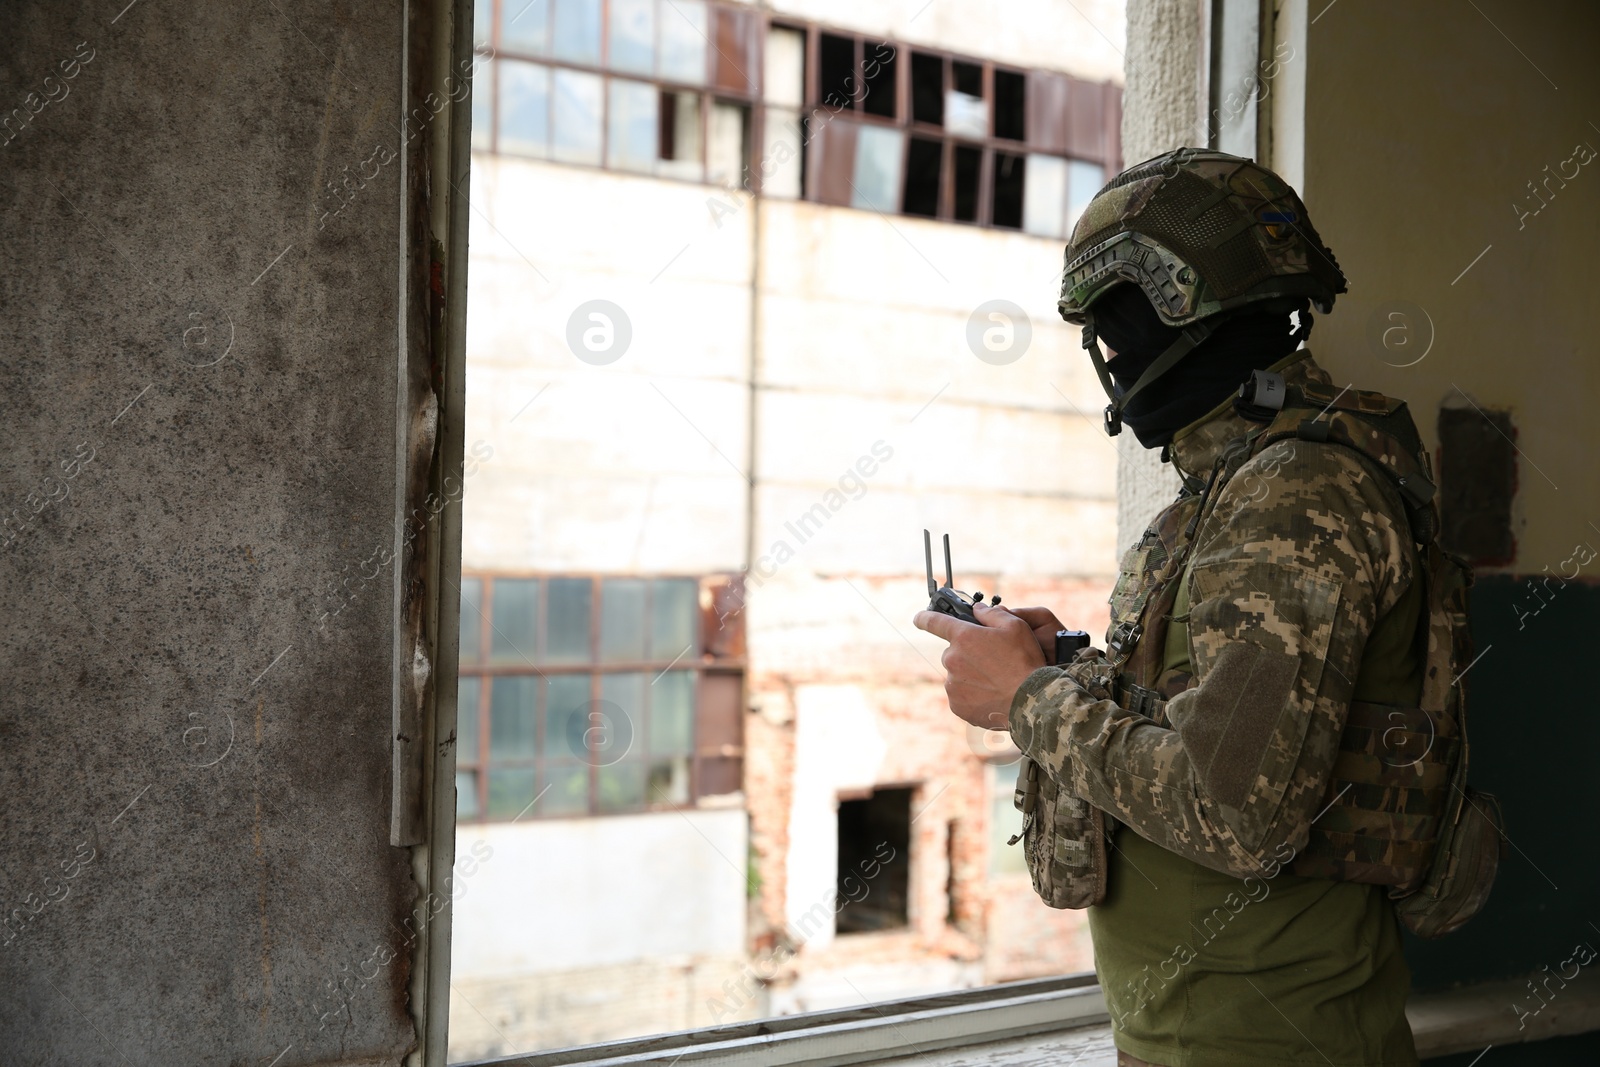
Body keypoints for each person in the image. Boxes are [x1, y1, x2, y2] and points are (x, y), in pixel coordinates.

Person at [913, 148, 1435, 1066]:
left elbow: (1235, 812)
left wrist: (1029, 703)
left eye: (1120, 334)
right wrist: (1060, 668)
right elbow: (1212, 715)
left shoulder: (1292, 494)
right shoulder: (1241, 487)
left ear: (1184, 321)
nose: (1114, 363)